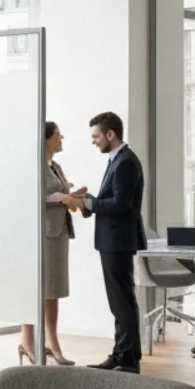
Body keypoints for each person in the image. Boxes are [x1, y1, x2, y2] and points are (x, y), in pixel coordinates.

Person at [74, 111, 146, 374]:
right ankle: (124, 354)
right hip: (114, 239)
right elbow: (115, 199)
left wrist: (91, 204)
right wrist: (91, 201)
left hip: (117, 240)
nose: (94, 141)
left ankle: (126, 359)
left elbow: (121, 204)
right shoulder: (119, 159)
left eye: (96, 136)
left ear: (110, 134)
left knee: (121, 301)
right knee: (121, 300)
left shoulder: (125, 161)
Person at [20, 121, 81, 366]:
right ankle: (27, 341)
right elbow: (30, 195)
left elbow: (56, 194)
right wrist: (60, 196)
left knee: (53, 289)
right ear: (46, 139)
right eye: (58, 135)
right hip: (42, 234)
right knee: (36, 287)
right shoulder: (33, 165)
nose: (61, 139)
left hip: (58, 232)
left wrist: (72, 195)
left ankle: (51, 342)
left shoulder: (55, 166)